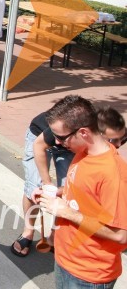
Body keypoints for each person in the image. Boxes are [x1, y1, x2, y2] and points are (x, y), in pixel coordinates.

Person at [35, 95, 127, 289]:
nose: (57, 143)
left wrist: (66, 212)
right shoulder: (83, 153)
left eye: (61, 137)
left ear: (83, 132)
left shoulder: (113, 173)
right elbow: (84, 193)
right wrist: (57, 193)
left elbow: (121, 235)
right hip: (66, 260)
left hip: (88, 275)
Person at [13, 104, 127, 257]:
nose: (118, 146)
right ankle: (28, 231)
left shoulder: (109, 166)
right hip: (41, 140)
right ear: (91, 133)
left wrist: (66, 207)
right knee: (35, 185)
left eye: (123, 139)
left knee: (68, 188)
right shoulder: (63, 132)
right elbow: (39, 146)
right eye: (113, 140)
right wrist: (47, 184)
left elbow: (120, 234)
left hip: (73, 144)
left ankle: (55, 234)